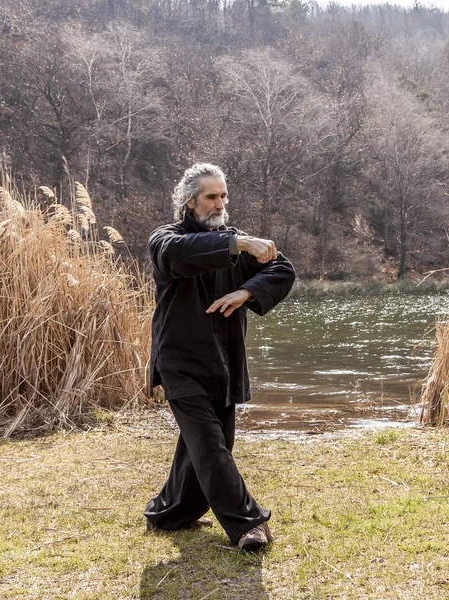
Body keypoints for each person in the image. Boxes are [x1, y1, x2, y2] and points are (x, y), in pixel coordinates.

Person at [144, 163, 295, 551]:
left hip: (223, 363)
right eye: (212, 196)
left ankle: (168, 512)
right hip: (178, 363)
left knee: (209, 444)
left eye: (224, 195)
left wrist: (246, 292)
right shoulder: (167, 238)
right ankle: (249, 524)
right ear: (189, 201)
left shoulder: (233, 240)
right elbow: (177, 255)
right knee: (209, 444)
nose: (220, 203)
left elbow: (282, 268)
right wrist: (239, 245)